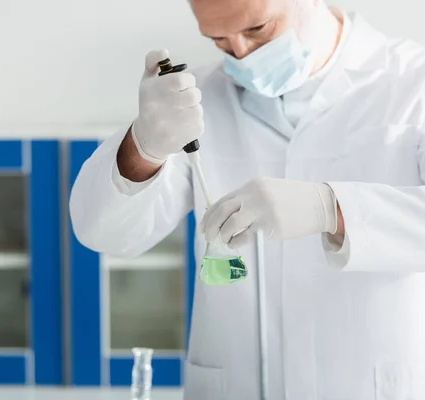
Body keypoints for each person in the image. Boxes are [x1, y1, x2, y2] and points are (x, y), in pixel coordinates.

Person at [69, 0, 425, 397]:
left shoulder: (412, 81)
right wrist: (143, 147)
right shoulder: (196, 107)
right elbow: (105, 233)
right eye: (218, 39)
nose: (240, 53)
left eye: (258, 29)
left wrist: (331, 208)